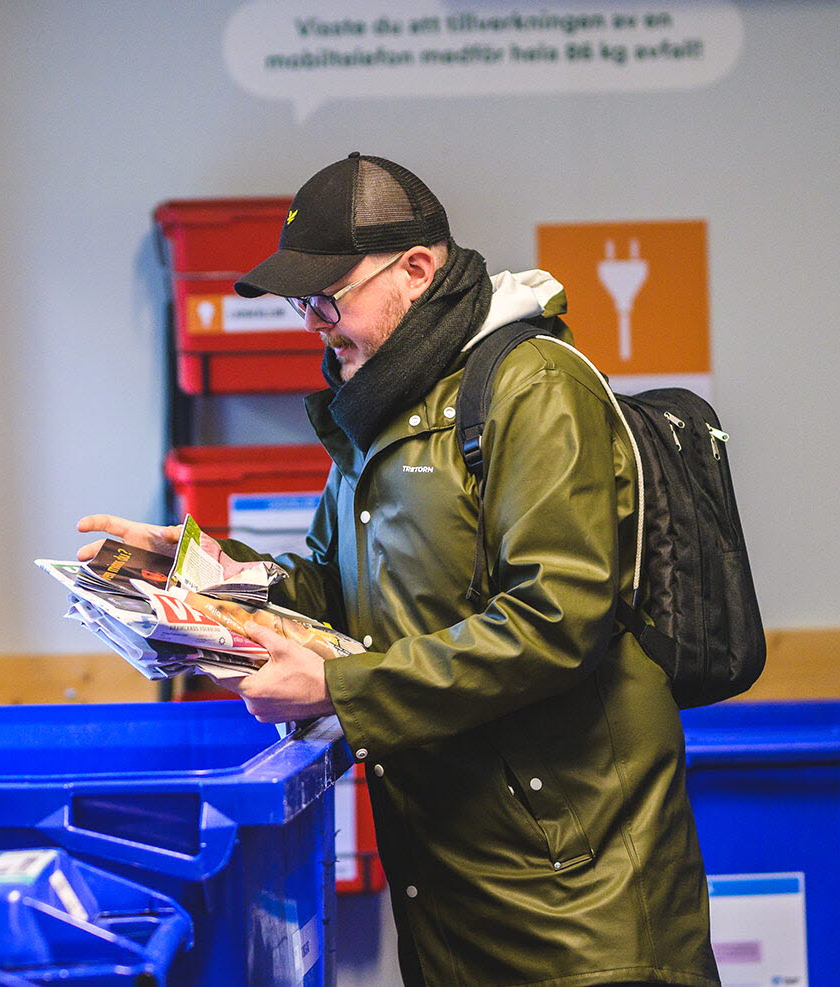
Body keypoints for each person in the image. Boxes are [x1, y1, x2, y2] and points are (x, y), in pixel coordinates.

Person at [77, 153, 719, 986]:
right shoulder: (379, 408)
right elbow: (333, 587)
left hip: (578, 898)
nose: (313, 321)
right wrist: (196, 571)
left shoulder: (533, 386)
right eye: (300, 303)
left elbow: (556, 622)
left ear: (417, 270)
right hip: (453, 881)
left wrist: (342, 689)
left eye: (327, 297)